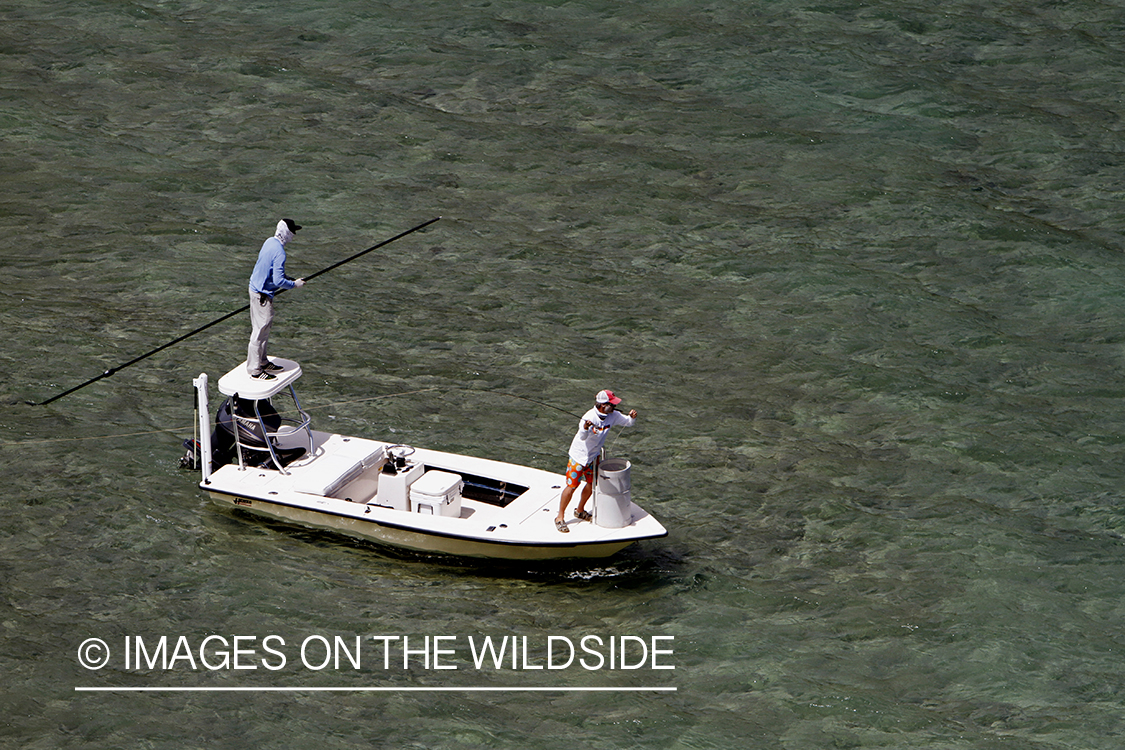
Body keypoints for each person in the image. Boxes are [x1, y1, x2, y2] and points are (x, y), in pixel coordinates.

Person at [555, 389, 638, 533]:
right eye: (611, 404)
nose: (614, 407)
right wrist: (586, 428)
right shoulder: (589, 416)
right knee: (571, 486)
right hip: (579, 457)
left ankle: (580, 510)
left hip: (594, 456)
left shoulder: (613, 415)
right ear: (603, 405)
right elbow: (581, 436)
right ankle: (560, 517)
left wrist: (632, 417)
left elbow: (628, 423)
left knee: (592, 483)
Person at [247, 219, 306, 380]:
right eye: (293, 232)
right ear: (286, 232)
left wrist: (289, 279)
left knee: (264, 331)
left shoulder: (269, 242)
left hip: (256, 290)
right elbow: (279, 281)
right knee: (259, 333)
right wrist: (294, 284)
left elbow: (269, 270)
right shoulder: (280, 252)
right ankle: (254, 370)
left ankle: (263, 361)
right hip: (262, 296)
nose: (293, 236)